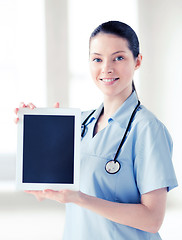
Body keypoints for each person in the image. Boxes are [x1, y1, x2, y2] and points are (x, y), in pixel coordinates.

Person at [15, 21, 178, 240]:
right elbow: (49, 191)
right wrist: (34, 130)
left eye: (118, 58)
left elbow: (152, 220)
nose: (107, 68)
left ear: (137, 61)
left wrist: (80, 198)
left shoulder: (148, 129)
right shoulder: (78, 123)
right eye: (97, 59)